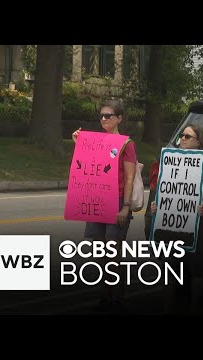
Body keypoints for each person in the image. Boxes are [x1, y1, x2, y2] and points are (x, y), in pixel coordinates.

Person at [72, 99, 137, 313]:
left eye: (108, 115)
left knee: (114, 251)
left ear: (119, 118)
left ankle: (118, 297)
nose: (103, 119)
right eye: (101, 115)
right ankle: (104, 295)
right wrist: (78, 143)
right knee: (99, 251)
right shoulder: (95, 141)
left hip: (117, 200)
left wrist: (126, 206)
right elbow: (87, 167)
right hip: (96, 199)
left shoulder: (127, 144)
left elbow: (129, 177)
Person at [151, 124, 203, 314]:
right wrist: (158, 205)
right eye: (182, 135)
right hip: (172, 223)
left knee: (196, 267)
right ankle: (167, 307)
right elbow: (165, 191)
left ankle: (193, 307)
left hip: (200, 222)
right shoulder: (170, 160)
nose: (182, 138)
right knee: (169, 266)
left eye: (188, 136)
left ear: (198, 141)